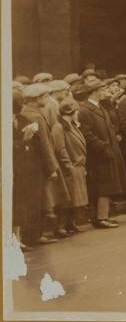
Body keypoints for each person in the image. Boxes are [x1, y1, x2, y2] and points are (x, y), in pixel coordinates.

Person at [79, 79, 126, 229]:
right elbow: (87, 134)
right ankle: (100, 218)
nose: (104, 92)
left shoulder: (100, 107)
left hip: (108, 151)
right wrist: (102, 146)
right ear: (94, 92)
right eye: (101, 90)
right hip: (98, 155)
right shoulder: (84, 110)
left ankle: (103, 216)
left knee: (108, 185)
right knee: (102, 186)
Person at [20, 83, 71, 241]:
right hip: (41, 165)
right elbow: (44, 144)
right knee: (44, 199)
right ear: (36, 99)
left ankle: (38, 233)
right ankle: (40, 234)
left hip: (34, 163)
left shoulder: (28, 113)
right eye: (45, 96)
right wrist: (52, 167)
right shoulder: (35, 116)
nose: (47, 99)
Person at [12, 90, 46, 248]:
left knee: (24, 203)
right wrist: (23, 142)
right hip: (14, 167)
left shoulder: (22, 119)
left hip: (27, 167)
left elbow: (38, 143)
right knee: (16, 204)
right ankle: (14, 240)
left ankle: (20, 238)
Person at [51, 98, 88, 235]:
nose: (77, 113)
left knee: (74, 198)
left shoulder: (72, 125)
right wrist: (69, 165)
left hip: (78, 165)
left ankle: (70, 224)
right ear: (71, 111)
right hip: (70, 168)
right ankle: (60, 226)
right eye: (76, 110)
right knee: (67, 198)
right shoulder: (59, 127)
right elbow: (60, 148)